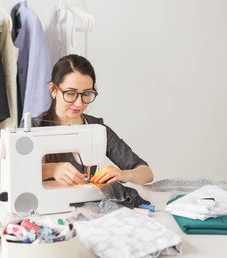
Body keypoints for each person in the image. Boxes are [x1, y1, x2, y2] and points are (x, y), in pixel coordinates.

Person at [24, 54, 153, 186]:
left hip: (85, 204)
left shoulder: (95, 128)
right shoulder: (32, 128)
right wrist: (51, 170)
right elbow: (18, 174)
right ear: (53, 90)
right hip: (43, 206)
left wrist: (124, 174)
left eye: (86, 94)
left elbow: (147, 173)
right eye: (70, 93)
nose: (79, 103)